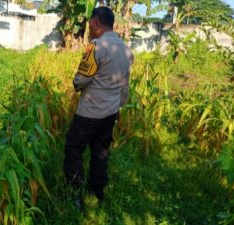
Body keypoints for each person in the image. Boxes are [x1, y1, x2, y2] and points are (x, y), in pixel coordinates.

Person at [63, 7, 134, 208]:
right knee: (100, 151)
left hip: (89, 112)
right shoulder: (126, 50)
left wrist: (75, 84)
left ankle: (75, 193)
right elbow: (125, 85)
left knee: (74, 148)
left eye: (90, 25)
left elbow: (81, 80)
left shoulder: (96, 47)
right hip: (111, 112)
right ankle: (97, 190)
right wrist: (119, 106)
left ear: (95, 23)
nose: (89, 29)